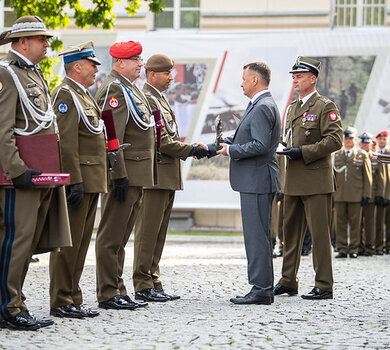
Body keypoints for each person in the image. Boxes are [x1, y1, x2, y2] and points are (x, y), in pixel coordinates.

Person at [0, 16, 71, 331]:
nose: (46, 44)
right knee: (15, 241)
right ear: (22, 42)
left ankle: (16, 302)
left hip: (38, 172)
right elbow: (2, 130)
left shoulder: (33, 74)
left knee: (25, 244)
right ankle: (7, 307)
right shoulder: (6, 74)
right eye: (41, 39)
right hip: (18, 177)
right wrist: (17, 171)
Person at [132, 54, 208, 302]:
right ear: (152, 74)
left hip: (165, 175)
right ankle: (143, 283)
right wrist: (191, 151)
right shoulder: (148, 99)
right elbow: (162, 141)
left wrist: (189, 148)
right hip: (154, 176)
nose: (171, 78)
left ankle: (153, 279)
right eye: (167, 74)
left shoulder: (159, 99)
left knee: (159, 232)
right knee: (147, 233)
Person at [209, 62, 281, 305]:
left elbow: (259, 145)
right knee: (257, 235)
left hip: (257, 180)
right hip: (256, 180)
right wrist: (218, 146)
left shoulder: (261, 106)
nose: (241, 83)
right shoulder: (261, 104)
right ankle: (261, 287)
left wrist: (230, 150)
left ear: (254, 81)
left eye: (243, 78)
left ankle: (261, 289)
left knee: (257, 237)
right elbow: (247, 138)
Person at [275, 56, 343, 300]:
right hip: (292, 180)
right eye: (293, 75)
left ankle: (324, 285)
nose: (295, 79)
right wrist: (283, 147)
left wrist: (302, 152)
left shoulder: (325, 106)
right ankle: (287, 281)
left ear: (312, 79)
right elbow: (291, 138)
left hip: (315, 181)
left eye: (300, 75)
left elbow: (334, 141)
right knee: (289, 233)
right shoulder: (293, 107)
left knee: (320, 235)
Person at [94, 41, 155, 309]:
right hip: (124, 174)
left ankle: (117, 288)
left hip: (135, 173)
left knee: (121, 236)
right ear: (120, 63)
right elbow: (112, 134)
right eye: (136, 60)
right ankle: (108, 292)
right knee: (111, 237)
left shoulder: (129, 88)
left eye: (140, 59)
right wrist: (118, 173)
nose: (141, 64)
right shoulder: (114, 89)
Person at [49, 41, 107, 319]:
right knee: (68, 244)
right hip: (79, 179)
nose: (97, 69)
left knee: (82, 243)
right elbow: (66, 142)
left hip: (92, 178)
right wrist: (73, 179)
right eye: (92, 64)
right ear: (78, 66)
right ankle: (61, 299)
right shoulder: (66, 94)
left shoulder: (83, 95)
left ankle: (73, 296)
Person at [333, 127, 372, 258]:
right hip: (340, 195)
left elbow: (367, 178)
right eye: (346, 138)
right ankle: (342, 248)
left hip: (356, 195)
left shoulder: (362, 155)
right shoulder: (337, 155)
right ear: (343, 140)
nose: (348, 141)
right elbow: (332, 177)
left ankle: (354, 248)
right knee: (340, 222)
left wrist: (366, 195)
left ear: (355, 140)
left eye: (351, 139)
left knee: (355, 223)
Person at [358, 132, 385, 256]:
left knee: (370, 224)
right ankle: (360, 246)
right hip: (357, 195)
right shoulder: (357, 156)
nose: (365, 145)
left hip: (372, 196)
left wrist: (380, 194)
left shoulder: (375, 157)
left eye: (367, 143)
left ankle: (370, 247)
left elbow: (381, 177)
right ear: (360, 144)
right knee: (358, 223)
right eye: (363, 143)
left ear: (371, 144)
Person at [375, 130, 390, 254]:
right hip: (379, 194)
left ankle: (388, 246)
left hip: (389, 193)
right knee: (379, 222)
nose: (382, 141)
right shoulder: (374, 154)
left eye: (384, 139)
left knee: (389, 223)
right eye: (380, 139)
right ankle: (379, 246)